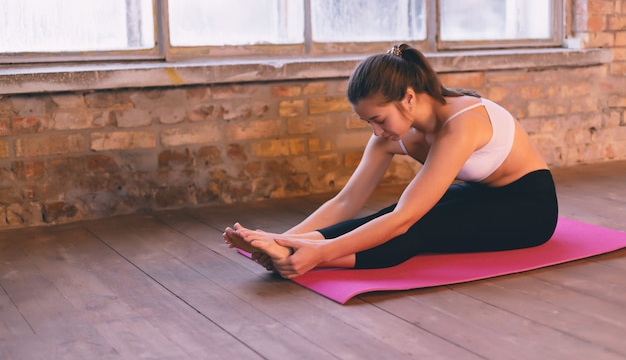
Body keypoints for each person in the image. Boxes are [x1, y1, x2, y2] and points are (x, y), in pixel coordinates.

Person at [223, 43, 558, 279]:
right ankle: (288, 249)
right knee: (385, 216)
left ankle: (310, 258)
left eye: (379, 119)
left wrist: (321, 254)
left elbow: (404, 219)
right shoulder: (394, 135)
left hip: (529, 208)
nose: (376, 130)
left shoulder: (463, 124)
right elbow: (346, 201)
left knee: (416, 224)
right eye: (368, 122)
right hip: (480, 196)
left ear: (408, 98)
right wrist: (280, 238)